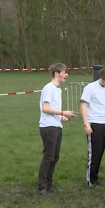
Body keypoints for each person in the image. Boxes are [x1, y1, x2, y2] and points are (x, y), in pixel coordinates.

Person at [37, 63, 76, 196]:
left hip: (56, 126)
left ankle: (49, 185)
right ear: (56, 73)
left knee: (55, 157)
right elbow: (45, 108)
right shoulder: (49, 88)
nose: (67, 75)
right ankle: (42, 187)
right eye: (64, 72)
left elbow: (51, 110)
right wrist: (62, 113)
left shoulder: (57, 89)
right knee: (48, 157)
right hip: (48, 128)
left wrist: (61, 118)